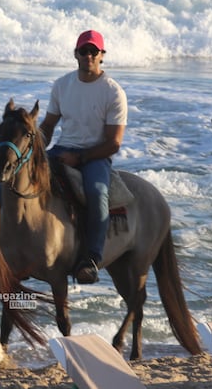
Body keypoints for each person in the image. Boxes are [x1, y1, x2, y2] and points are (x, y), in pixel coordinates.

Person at [38, 29, 127, 284]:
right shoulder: (62, 85)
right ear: (75, 54)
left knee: (98, 192)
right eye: (83, 51)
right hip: (63, 148)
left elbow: (114, 143)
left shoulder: (113, 92)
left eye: (93, 51)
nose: (88, 55)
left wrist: (82, 159)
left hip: (96, 155)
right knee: (15, 183)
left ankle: (91, 258)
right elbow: (48, 126)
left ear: (102, 56)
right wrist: (33, 149)